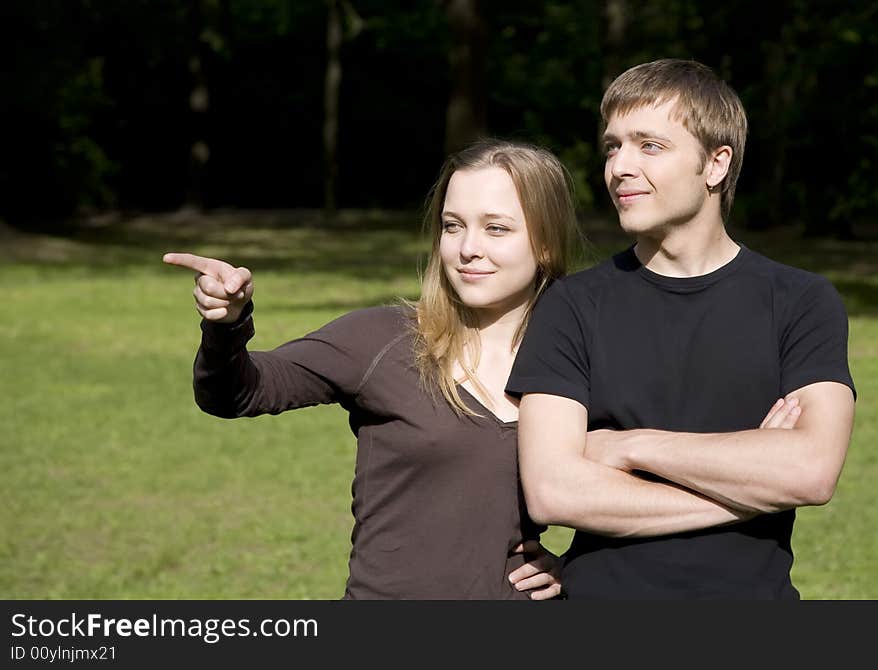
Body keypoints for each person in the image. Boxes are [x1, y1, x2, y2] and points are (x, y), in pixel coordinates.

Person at [163, 138, 581, 599]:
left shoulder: (581, 359)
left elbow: (647, 485)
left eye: (496, 229)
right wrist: (228, 325)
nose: (467, 248)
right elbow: (236, 393)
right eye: (453, 225)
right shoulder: (382, 339)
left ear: (544, 242)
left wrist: (579, 565)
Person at [507, 59, 856, 599]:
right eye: (613, 145)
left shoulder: (800, 302)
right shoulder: (571, 306)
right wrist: (752, 482)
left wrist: (627, 447)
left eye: (649, 145)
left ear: (716, 165)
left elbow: (811, 472)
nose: (619, 166)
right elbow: (554, 492)